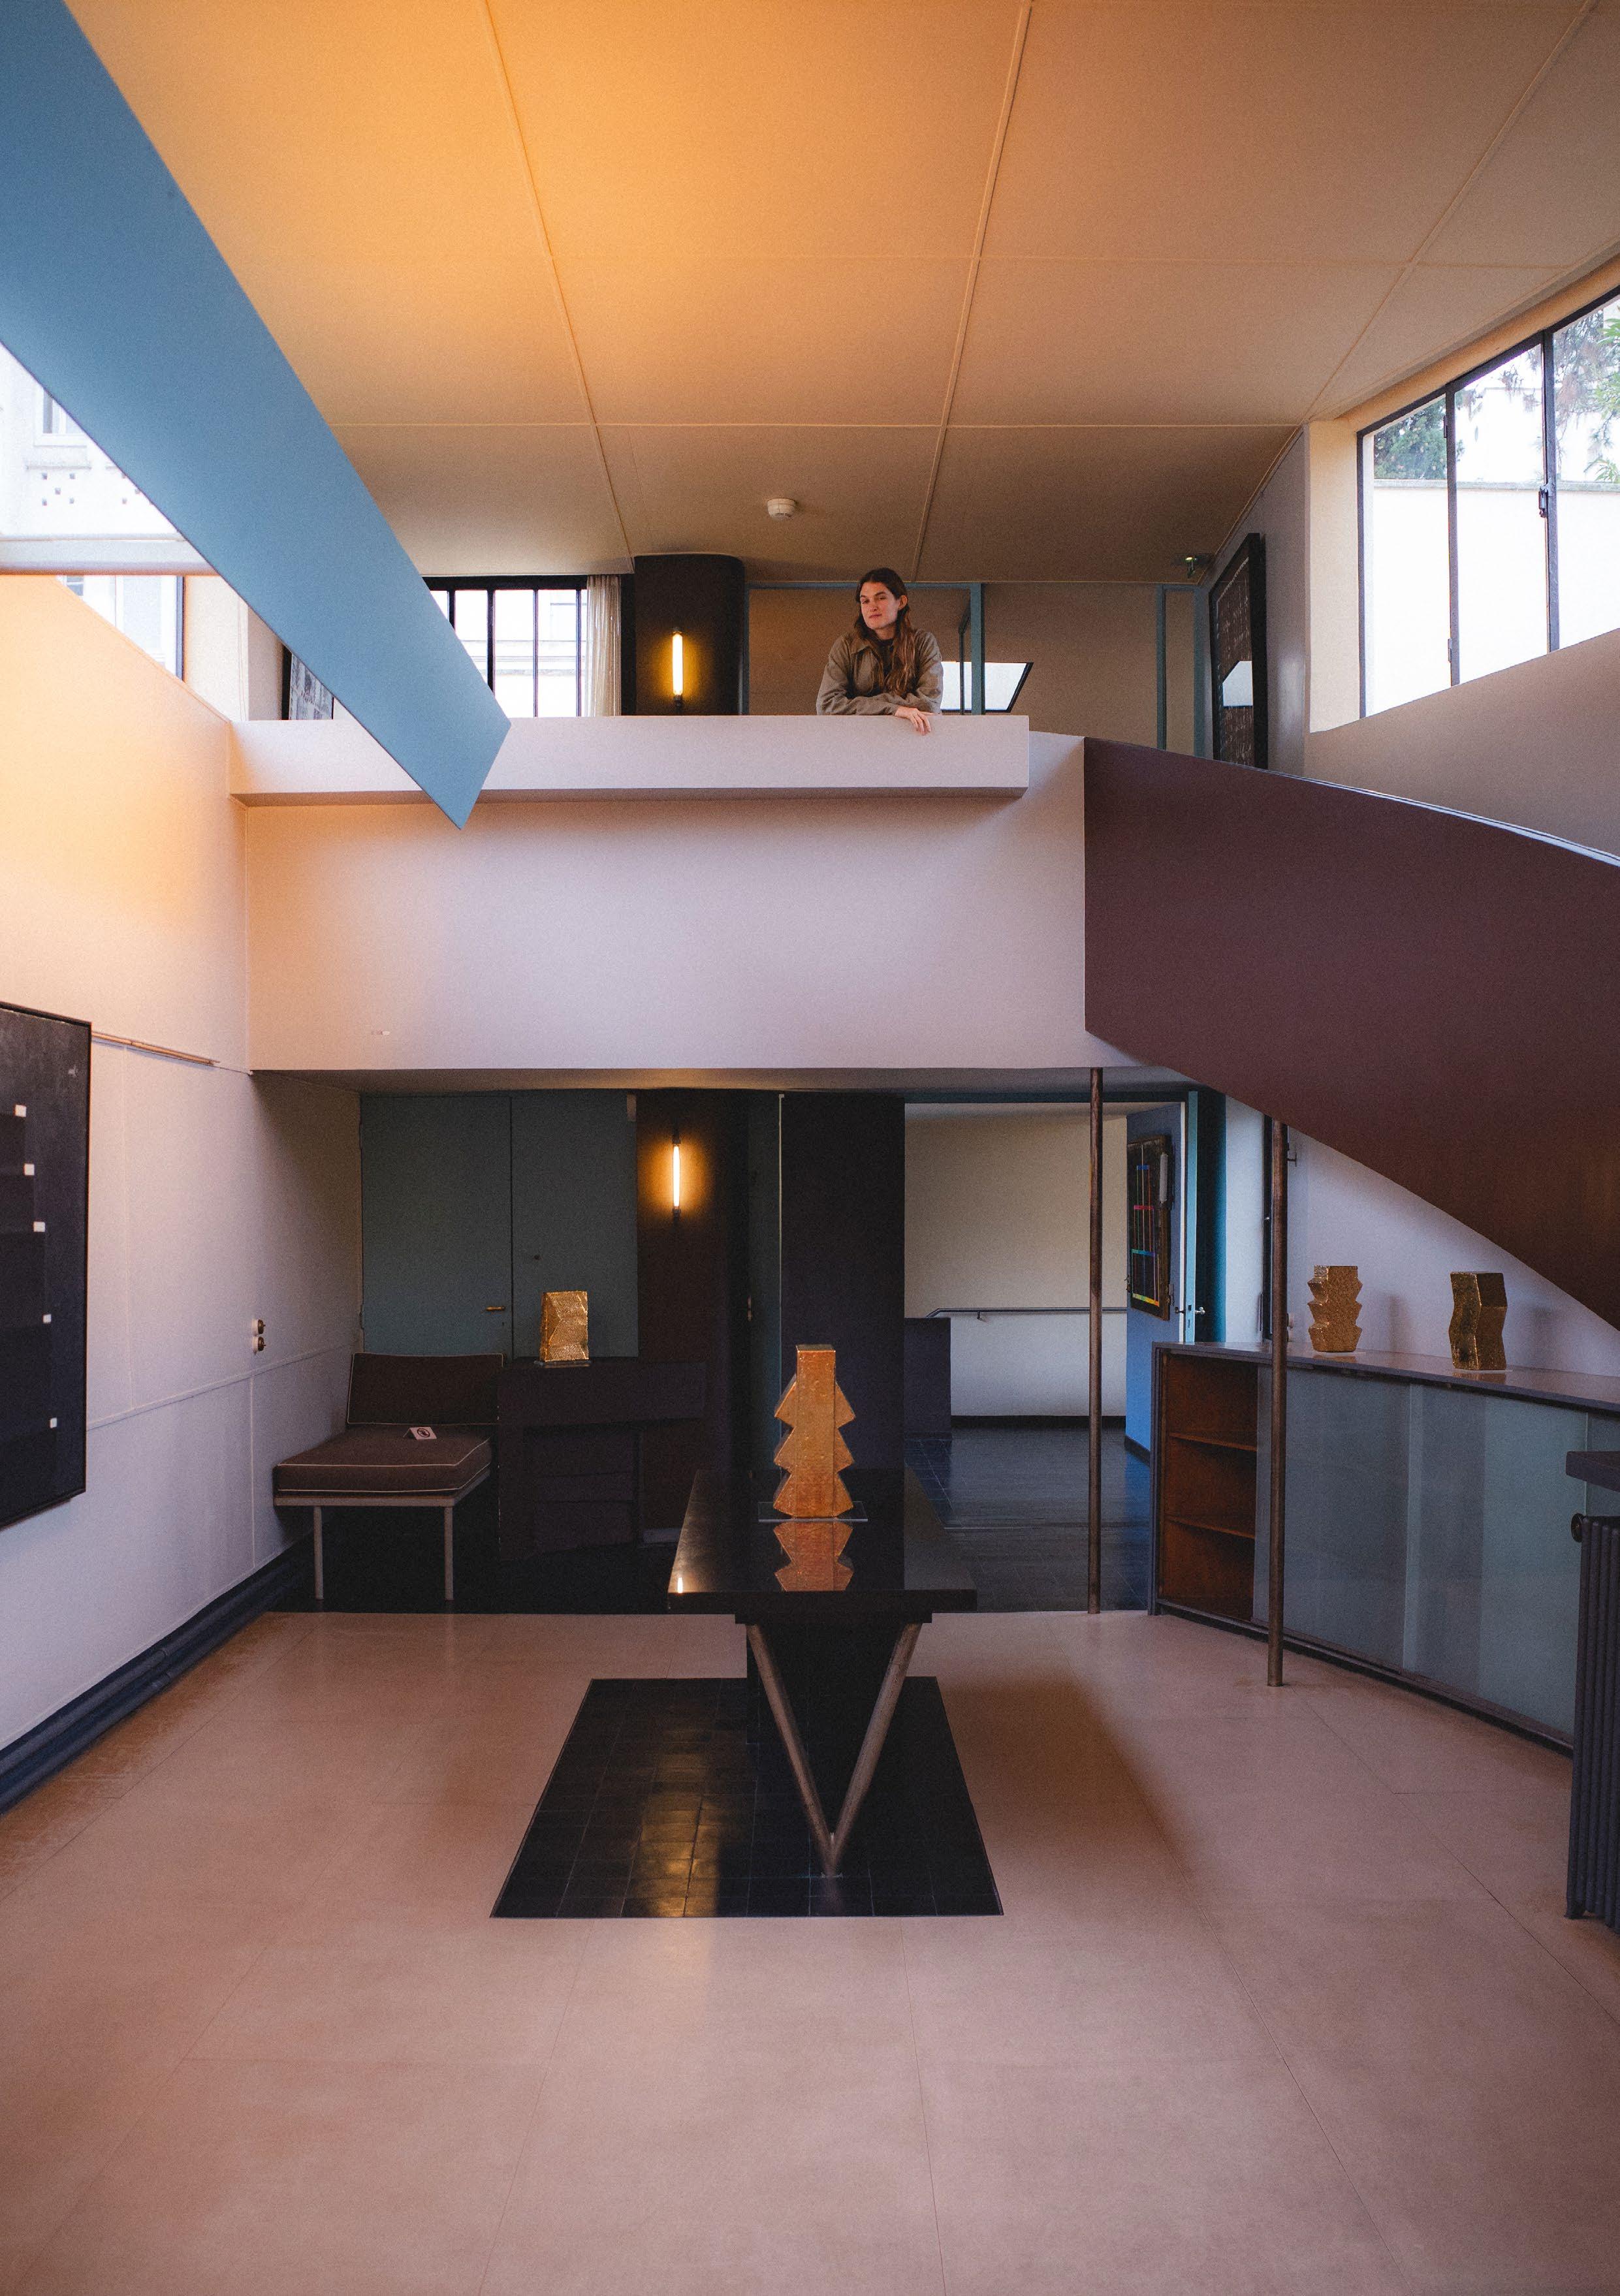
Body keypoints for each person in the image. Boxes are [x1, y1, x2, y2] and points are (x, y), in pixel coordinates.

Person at [815, 567, 943, 732]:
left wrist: (864, 705)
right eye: (865, 601)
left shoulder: (924, 643)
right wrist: (895, 709)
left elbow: (929, 704)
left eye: (881, 598)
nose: (872, 607)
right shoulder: (845, 645)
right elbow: (827, 705)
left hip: (911, 737)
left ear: (901, 602)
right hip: (859, 738)